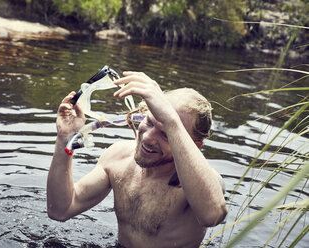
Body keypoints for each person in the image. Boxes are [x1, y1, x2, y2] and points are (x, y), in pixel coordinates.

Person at [47, 71, 227, 248]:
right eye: (149, 122)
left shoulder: (202, 184)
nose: (148, 138)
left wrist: (172, 121)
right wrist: (65, 138)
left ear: (193, 145)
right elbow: (60, 209)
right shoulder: (118, 157)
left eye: (166, 134)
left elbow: (213, 216)